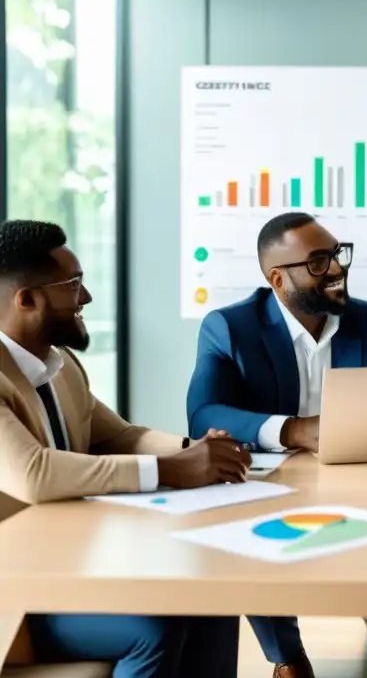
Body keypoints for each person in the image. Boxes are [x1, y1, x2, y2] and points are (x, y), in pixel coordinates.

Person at [185, 212, 367, 677]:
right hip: (275, 488)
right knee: (249, 530)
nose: (338, 269)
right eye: (319, 262)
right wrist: (295, 430)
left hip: (364, 483)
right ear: (278, 279)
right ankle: (289, 659)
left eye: (338, 254)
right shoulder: (230, 327)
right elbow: (204, 414)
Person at [0, 219, 245, 678]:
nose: (86, 298)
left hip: (76, 563)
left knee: (216, 594)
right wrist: (173, 470)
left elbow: (116, 435)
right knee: (152, 628)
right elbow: (34, 474)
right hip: (16, 591)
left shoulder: (61, 365)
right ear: (27, 299)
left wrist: (200, 450)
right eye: (74, 285)